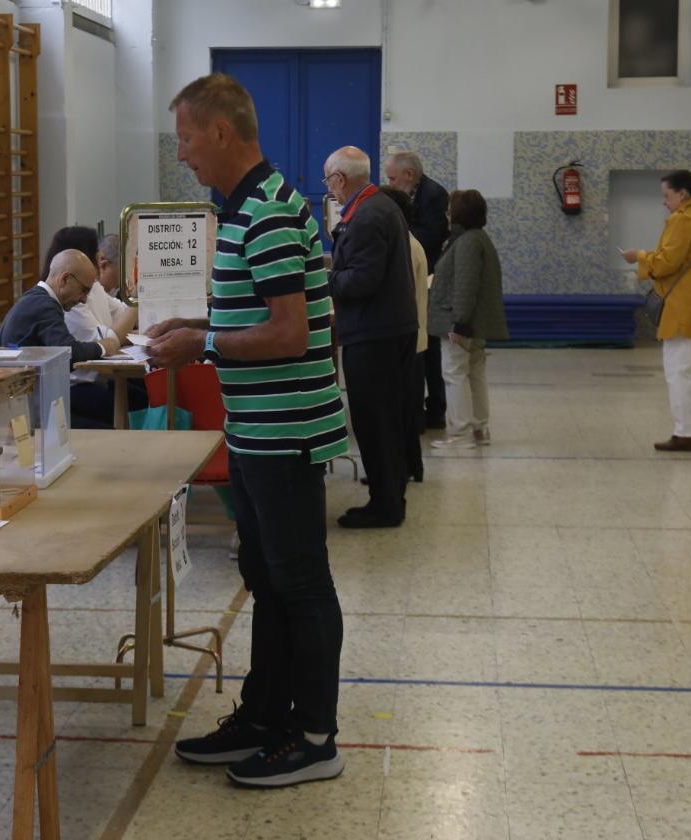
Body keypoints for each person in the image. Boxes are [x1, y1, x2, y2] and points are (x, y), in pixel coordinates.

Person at [148, 73, 348, 788]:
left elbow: (290, 334)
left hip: (285, 431)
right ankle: (265, 715)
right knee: (266, 577)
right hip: (259, 431)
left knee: (300, 582)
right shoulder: (248, 208)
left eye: (187, 139)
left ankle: (316, 737)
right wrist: (200, 325)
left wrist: (201, 346)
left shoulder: (264, 212)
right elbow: (258, 319)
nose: (183, 155)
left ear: (221, 133)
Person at [324, 146, 417, 528]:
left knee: (373, 421)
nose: (328, 189)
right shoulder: (381, 206)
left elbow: (362, 280)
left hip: (373, 334)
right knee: (388, 419)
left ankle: (384, 505)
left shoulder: (364, 216)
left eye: (328, 181)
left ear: (340, 180)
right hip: (391, 329)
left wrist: (321, 279)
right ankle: (392, 496)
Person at [622, 170, 691, 452]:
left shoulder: (682, 220)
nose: (664, 202)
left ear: (682, 194)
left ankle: (685, 433)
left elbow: (666, 263)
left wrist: (639, 256)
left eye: (667, 195)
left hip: (682, 308)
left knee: (678, 372)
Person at [0, 250, 126, 427]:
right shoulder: (44, 306)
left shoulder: (35, 299)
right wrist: (104, 347)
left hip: (23, 404)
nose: (84, 299)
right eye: (84, 290)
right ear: (64, 279)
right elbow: (68, 353)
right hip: (24, 412)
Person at [428, 189, 508, 449]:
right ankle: (478, 429)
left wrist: (459, 323)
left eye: (450, 209)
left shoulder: (466, 242)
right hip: (473, 322)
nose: (447, 214)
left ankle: (460, 433)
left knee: (455, 373)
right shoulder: (478, 238)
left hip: (459, 321)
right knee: (475, 372)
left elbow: (465, 284)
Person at [47, 228, 146, 426]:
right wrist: (138, 298)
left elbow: (123, 316)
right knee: (130, 405)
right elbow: (108, 341)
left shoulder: (94, 289)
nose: (101, 260)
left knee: (144, 393)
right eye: (96, 255)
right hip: (74, 385)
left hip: (97, 378)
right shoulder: (69, 302)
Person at [386, 150, 449, 430]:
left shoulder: (433, 194)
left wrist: (398, 233)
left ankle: (434, 409)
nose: (389, 183)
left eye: (392, 178)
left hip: (429, 277)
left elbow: (432, 236)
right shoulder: (415, 192)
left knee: (429, 347)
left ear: (409, 175)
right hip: (415, 276)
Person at [381, 185, 430, 482]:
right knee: (406, 409)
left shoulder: (405, 247)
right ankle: (411, 465)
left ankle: (404, 466)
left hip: (407, 340)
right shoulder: (409, 243)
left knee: (401, 410)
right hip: (414, 338)